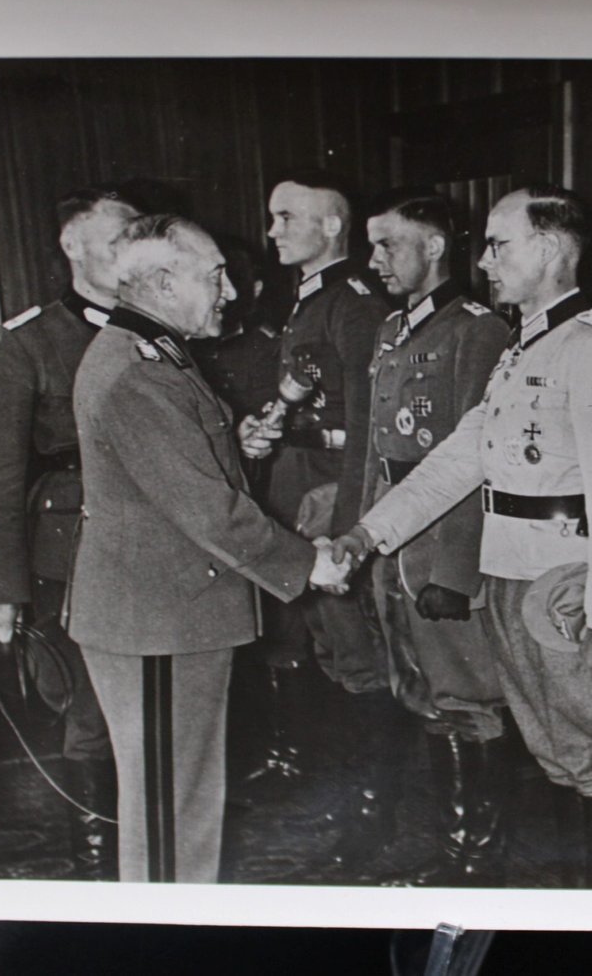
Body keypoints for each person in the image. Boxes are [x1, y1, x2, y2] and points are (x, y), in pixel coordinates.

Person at [334, 184, 592, 888]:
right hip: (510, 574)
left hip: (566, 589)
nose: (483, 261)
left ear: (547, 247)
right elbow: (459, 457)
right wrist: (368, 533)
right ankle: (569, 908)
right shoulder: (522, 349)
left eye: (497, 244)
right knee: (553, 754)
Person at [69, 213, 350, 883]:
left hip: (166, 613)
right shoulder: (139, 371)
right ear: (166, 284)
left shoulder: (150, 352)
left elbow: (169, 478)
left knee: (178, 802)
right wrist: (309, 561)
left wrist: (235, 448)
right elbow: (206, 511)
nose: (229, 291)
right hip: (158, 622)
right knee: (172, 815)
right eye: (215, 275)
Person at [0, 184, 141, 879]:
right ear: (72, 244)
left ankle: (157, 853)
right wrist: (1, 590)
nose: (133, 251)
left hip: (161, 548)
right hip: (74, 551)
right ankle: (98, 868)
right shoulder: (28, 341)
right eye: (118, 238)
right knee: (91, 712)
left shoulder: (161, 327)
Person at [359, 188, 512, 885]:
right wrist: (364, 537)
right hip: (394, 534)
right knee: (419, 690)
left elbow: (478, 460)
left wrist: (456, 570)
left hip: (444, 540)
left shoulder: (478, 332)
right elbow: (379, 450)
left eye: (388, 244)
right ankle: (450, 842)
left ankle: (473, 859)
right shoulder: (393, 329)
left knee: (466, 699)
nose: (375, 259)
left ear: (435, 246)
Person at [250, 170, 400, 869]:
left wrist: (349, 521)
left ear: (332, 225)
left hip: (335, 486)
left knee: (356, 652)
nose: (272, 230)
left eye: (287, 217)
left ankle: (372, 810)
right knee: (318, 645)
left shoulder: (353, 303)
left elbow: (369, 421)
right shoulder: (307, 299)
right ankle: (333, 786)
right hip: (298, 478)